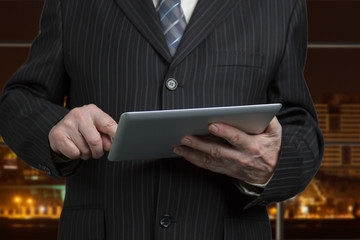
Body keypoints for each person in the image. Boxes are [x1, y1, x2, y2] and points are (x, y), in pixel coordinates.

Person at [0, 0, 324, 239]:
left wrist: (274, 163)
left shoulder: (280, 6)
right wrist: (53, 129)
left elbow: (300, 125)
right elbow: (19, 100)